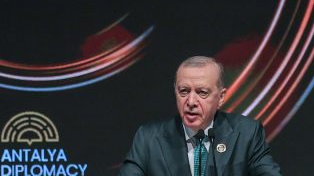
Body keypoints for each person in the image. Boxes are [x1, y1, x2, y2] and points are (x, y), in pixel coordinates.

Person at [118, 56, 282, 176]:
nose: (191, 102)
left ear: (221, 97)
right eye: (184, 91)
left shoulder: (247, 134)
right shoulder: (148, 139)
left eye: (202, 92)